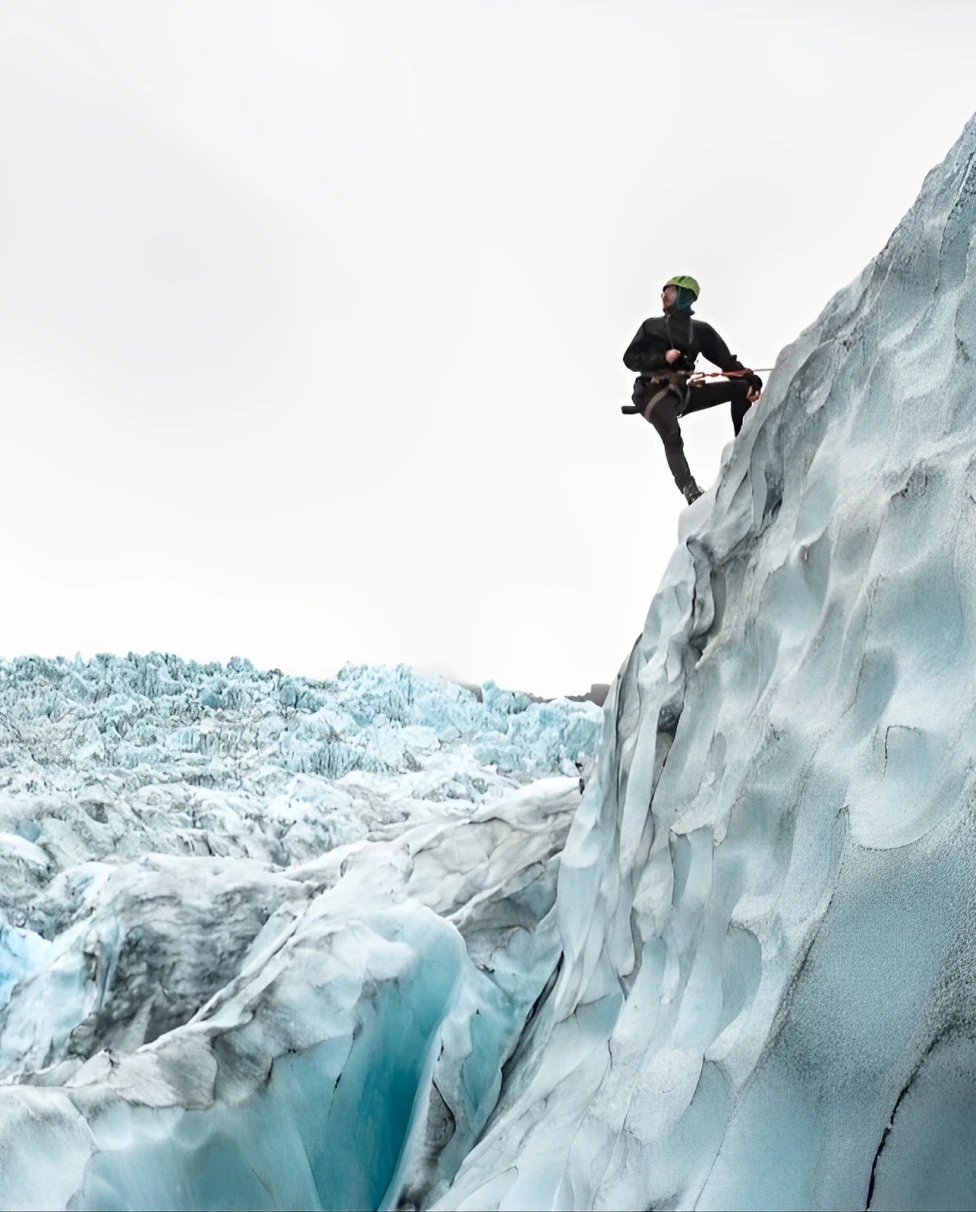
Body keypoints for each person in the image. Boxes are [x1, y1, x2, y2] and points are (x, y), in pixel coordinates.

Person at [622, 275, 763, 504]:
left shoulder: (701, 331)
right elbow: (630, 359)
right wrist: (663, 357)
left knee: (741, 388)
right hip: (651, 394)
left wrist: (749, 378)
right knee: (672, 436)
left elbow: (727, 363)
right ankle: (689, 489)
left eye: (668, 291)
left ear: (683, 294)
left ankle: (743, 447)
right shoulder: (651, 327)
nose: (663, 295)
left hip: (681, 394)